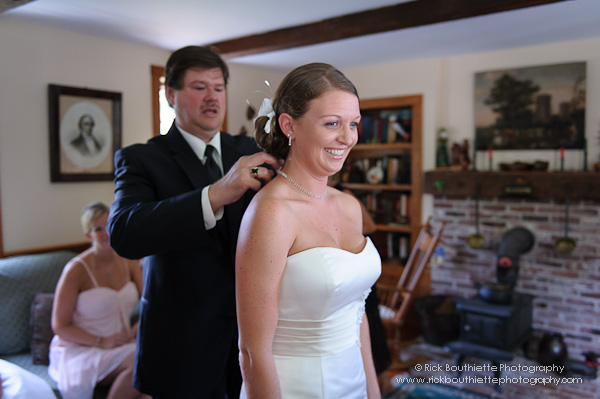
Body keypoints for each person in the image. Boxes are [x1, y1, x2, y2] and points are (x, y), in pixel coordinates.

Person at [106, 45, 280, 399]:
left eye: (218, 88)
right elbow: (124, 232)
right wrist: (215, 194)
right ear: (170, 94)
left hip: (254, 340)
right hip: (181, 346)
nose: (212, 97)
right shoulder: (141, 158)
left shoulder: (252, 150)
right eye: (199, 87)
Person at [236, 63, 382, 399]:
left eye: (354, 124)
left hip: (354, 382)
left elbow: (356, 314)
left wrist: (373, 392)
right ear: (289, 125)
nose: (347, 138)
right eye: (332, 124)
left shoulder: (348, 205)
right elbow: (252, 352)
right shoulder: (271, 213)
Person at [48, 202, 149, 399]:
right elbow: (60, 326)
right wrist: (101, 341)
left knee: (151, 389)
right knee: (142, 358)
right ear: (89, 235)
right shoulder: (76, 270)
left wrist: (137, 327)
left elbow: (148, 300)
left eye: (110, 224)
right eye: (98, 229)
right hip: (81, 349)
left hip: (120, 343)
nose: (107, 233)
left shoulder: (128, 259)